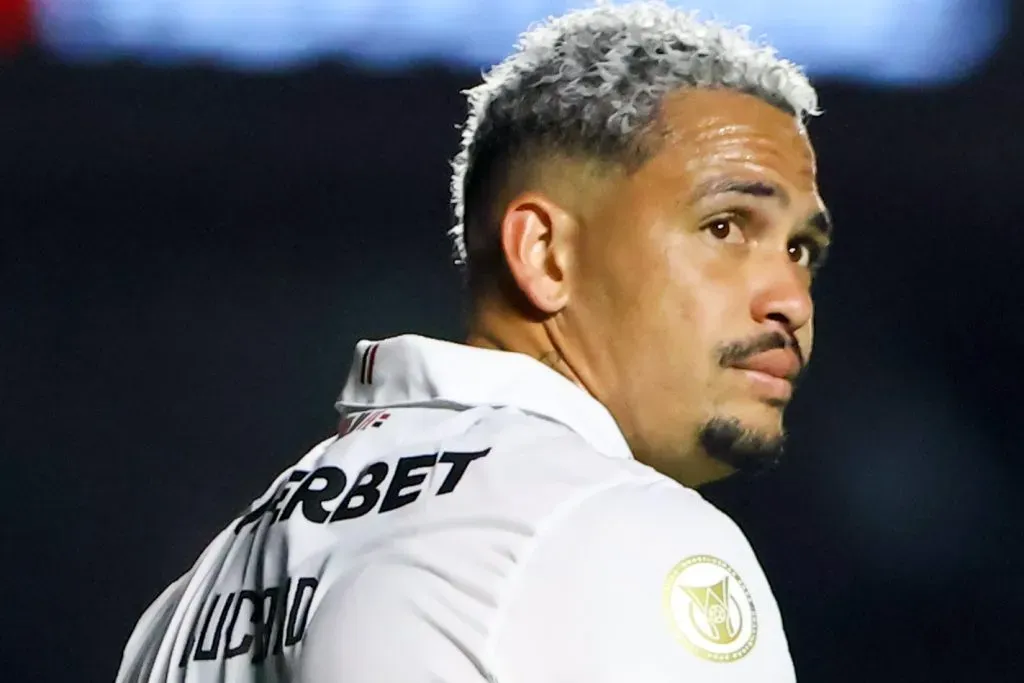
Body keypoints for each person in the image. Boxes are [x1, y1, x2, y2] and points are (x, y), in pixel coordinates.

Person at [116, 2, 832, 681]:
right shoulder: (624, 530)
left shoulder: (190, 600)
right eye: (725, 227)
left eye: (801, 250)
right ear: (545, 254)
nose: (790, 301)